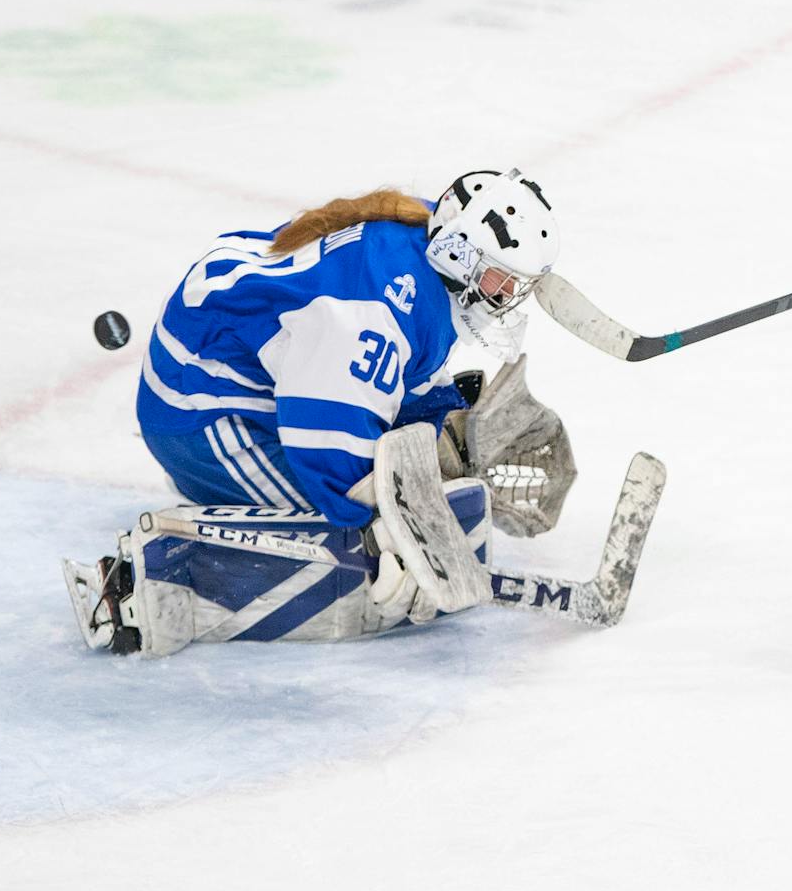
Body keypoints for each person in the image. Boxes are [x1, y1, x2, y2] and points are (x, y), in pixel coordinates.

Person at [62, 168, 582, 656]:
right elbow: (328, 443)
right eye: (500, 282)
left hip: (242, 373)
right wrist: (387, 534)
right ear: (459, 254)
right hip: (200, 411)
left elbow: (405, 369)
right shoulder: (370, 314)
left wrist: (450, 424)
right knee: (350, 551)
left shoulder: (424, 246)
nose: (507, 299)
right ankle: (147, 582)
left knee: (397, 500)